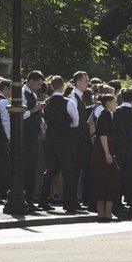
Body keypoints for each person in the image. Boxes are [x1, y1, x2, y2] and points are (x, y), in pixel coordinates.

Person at [38, 76, 80, 212]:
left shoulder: (46, 103)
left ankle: (43, 200)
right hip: (64, 139)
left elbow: (44, 121)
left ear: (51, 86)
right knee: (68, 171)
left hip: (50, 140)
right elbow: (76, 122)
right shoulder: (69, 102)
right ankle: (69, 203)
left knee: (50, 170)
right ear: (63, 86)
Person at [90, 94, 120, 222]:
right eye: (114, 102)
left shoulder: (106, 115)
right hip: (103, 153)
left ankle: (103, 212)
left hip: (101, 152)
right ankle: (106, 212)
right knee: (109, 181)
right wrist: (107, 153)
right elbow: (102, 135)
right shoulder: (105, 115)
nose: (116, 104)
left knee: (102, 181)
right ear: (108, 103)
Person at [112, 89, 132, 219]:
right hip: (130, 148)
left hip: (117, 148)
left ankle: (116, 204)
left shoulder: (115, 112)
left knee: (117, 177)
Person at [21, 71, 46, 210]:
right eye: (37, 84)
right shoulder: (22, 93)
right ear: (30, 80)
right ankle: (25, 200)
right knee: (27, 168)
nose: (38, 87)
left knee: (33, 168)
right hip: (26, 137)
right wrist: (34, 109)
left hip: (33, 136)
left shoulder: (33, 94)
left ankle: (29, 200)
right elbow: (21, 114)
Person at [69, 71, 93, 210]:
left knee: (80, 170)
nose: (87, 83)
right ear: (78, 81)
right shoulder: (72, 98)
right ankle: (72, 201)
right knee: (75, 171)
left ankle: (78, 200)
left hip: (81, 140)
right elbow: (73, 122)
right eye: (85, 80)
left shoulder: (80, 97)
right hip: (76, 141)